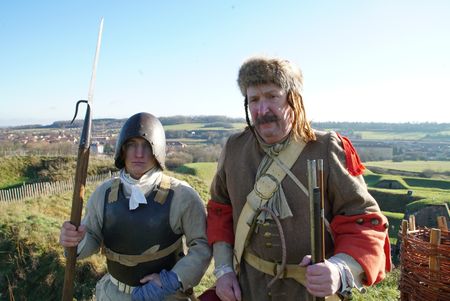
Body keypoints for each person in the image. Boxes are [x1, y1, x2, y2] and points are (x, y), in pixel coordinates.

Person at [205, 56, 391, 301]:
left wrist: (339, 270)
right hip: (249, 287)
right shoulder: (234, 148)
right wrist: (224, 270)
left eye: (272, 96)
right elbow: (220, 212)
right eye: (254, 100)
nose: (262, 110)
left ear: (293, 99)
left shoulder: (328, 147)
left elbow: (364, 221)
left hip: (310, 293)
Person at [59, 112, 211, 301]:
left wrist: (170, 280)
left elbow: (202, 246)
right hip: (112, 294)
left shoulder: (182, 196)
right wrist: (75, 240)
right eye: (131, 145)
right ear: (122, 150)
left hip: (165, 296)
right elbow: (91, 238)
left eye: (147, 146)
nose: (139, 154)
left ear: (158, 151)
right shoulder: (104, 194)